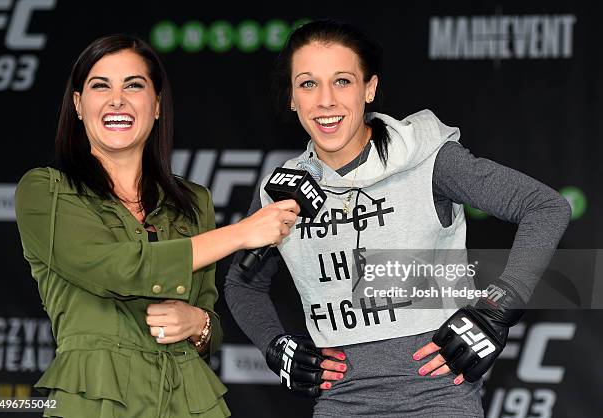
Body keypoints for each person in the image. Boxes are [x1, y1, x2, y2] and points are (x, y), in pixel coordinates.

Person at [224, 20, 572, 417]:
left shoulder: (428, 158)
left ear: (369, 88)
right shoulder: (283, 189)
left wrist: (498, 309)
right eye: (307, 84)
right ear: (291, 97)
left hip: (439, 399)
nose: (325, 101)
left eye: (342, 81)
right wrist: (274, 344)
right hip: (341, 402)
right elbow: (241, 282)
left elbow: (546, 207)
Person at [14, 34, 299, 418]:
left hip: (189, 400)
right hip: (96, 401)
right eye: (101, 86)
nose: (118, 99)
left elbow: (208, 325)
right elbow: (121, 267)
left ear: (157, 105)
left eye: (134, 85)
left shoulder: (193, 200)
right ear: (79, 105)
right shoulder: (45, 190)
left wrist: (198, 325)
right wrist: (242, 233)